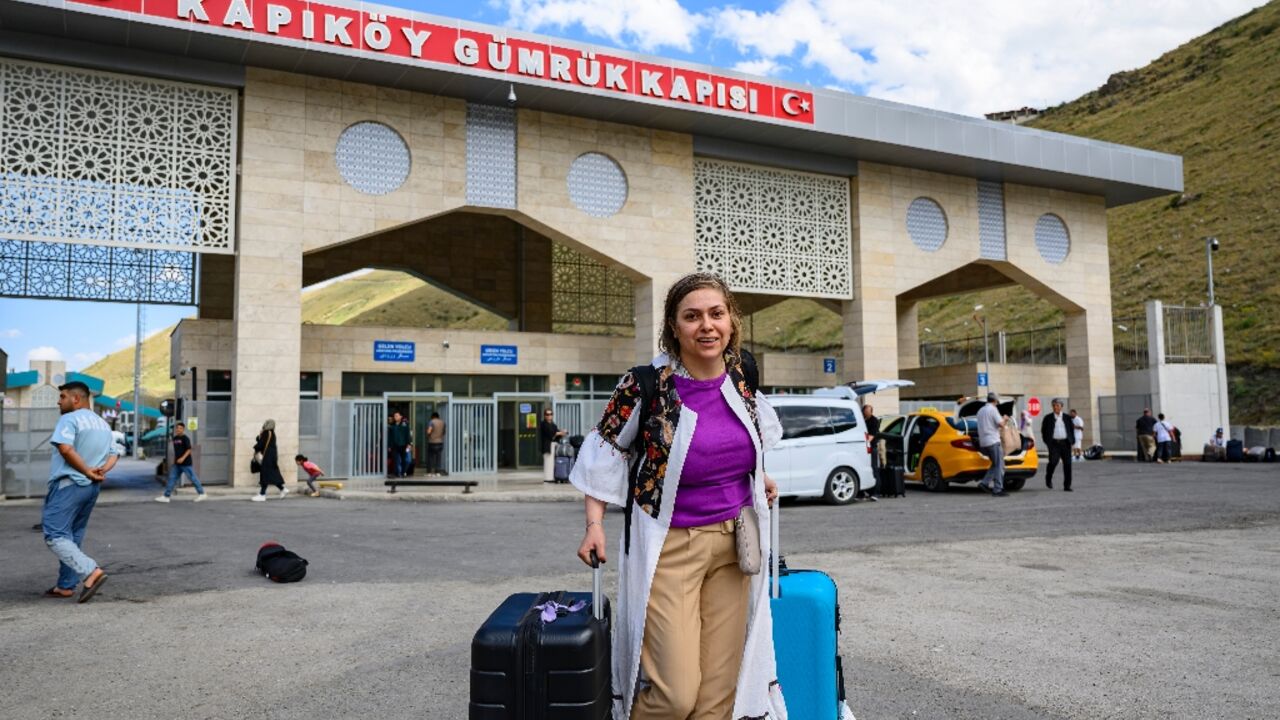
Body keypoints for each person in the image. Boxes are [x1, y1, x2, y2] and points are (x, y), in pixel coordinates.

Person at [570, 272, 786, 720]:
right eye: (692, 317)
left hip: (735, 546)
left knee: (717, 695)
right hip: (670, 548)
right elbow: (605, 451)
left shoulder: (743, 372)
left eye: (716, 314)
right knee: (675, 694)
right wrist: (594, 525)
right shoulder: (646, 384)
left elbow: (748, 440)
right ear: (674, 327)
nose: (706, 326)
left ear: (731, 321)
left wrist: (758, 476)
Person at [43, 381, 119, 602]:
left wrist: (86, 470)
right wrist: (99, 471)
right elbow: (114, 454)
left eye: (63, 396)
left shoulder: (69, 419)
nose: (59, 401)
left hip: (69, 485)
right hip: (91, 488)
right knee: (73, 536)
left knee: (55, 534)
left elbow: (65, 448)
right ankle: (65, 585)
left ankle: (91, 572)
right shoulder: (102, 424)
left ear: (76, 398)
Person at [155, 422, 207, 503]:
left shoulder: (185, 438)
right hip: (177, 464)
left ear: (183, 429)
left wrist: (182, 458)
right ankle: (166, 496)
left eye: (180, 428)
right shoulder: (175, 438)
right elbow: (178, 451)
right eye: (177, 428)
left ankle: (202, 494)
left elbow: (189, 450)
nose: (178, 430)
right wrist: (176, 460)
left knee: (193, 478)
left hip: (186, 463)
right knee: (172, 478)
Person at [976, 392, 1009, 497]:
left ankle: (984, 483)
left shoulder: (980, 410)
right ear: (995, 400)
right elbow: (1001, 424)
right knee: (999, 465)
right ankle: (997, 489)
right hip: (993, 441)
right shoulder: (993, 410)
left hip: (983, 442)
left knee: (996, 464)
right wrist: (1005, 418)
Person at [1041, 399, 1075, 492]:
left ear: (1061, 407)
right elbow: (1043, 431)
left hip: (1065, 443)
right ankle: (1048, 478)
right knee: (1053, 462)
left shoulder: (1067, 418)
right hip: (1054, 444)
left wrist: (1072, 441)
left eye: (1057, 405)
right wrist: (1048, 442)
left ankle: (1067, 486)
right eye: (1054, 405)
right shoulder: (1048, 418)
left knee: (1068, 465)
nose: (1056, 407)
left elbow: (1071, 430)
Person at [251, 419, 287, 501]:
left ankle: (262, 495)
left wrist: (256, 447)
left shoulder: (266, 432)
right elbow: (263, 441)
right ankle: (282, 489)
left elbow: (260, 444)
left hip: (267, 457)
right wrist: (260, 436)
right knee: (271, 475)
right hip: (272, 457)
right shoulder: (272, 433)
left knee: (265, 475)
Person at [539, 408, 567, 482]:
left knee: (552, 463)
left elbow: (556, 433)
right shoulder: (543, 424)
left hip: (554, 445)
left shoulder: (553, 424)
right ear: (544, 415)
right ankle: (547, 478)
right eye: (547, 414)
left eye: (551, 414)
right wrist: (559, 433)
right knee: (548, 462)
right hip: (547, 446)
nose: (549, 416)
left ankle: (552, 477)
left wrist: (562, 433)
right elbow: (550, 433)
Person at [860, 404, 880, 501]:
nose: (866, 413)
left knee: (874, 469)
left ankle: (876, 492)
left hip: (871, 448)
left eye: (868, 412)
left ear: (871, 412)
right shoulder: (863, 420)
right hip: (863, 449)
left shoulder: (874, 421)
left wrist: (862, 442)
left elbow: (871, 437)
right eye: (865, 411)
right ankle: (864, 493)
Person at [388, 411, 411, 478]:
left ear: (401, 416)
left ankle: (403, 472)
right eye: (394, 416)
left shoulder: (405, 425)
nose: (395, 417)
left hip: (403, 445)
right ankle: (397, 473)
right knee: (397, 460)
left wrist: (409, 444)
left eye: (397, 416)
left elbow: (407, 435)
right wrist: (389, 445)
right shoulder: (392, 426)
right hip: (395, 445)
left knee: (405, 460)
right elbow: (390, 437)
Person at [426, 411, 446, 475]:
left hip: (432, 442)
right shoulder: (443, 422)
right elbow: (444, 432)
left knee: (430, 458)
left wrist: (428, 435)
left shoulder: (431, 422)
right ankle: (437, 472)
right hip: (440, 442)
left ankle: (429, 472)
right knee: (438, 458)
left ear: (432, 417)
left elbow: (429, 431)